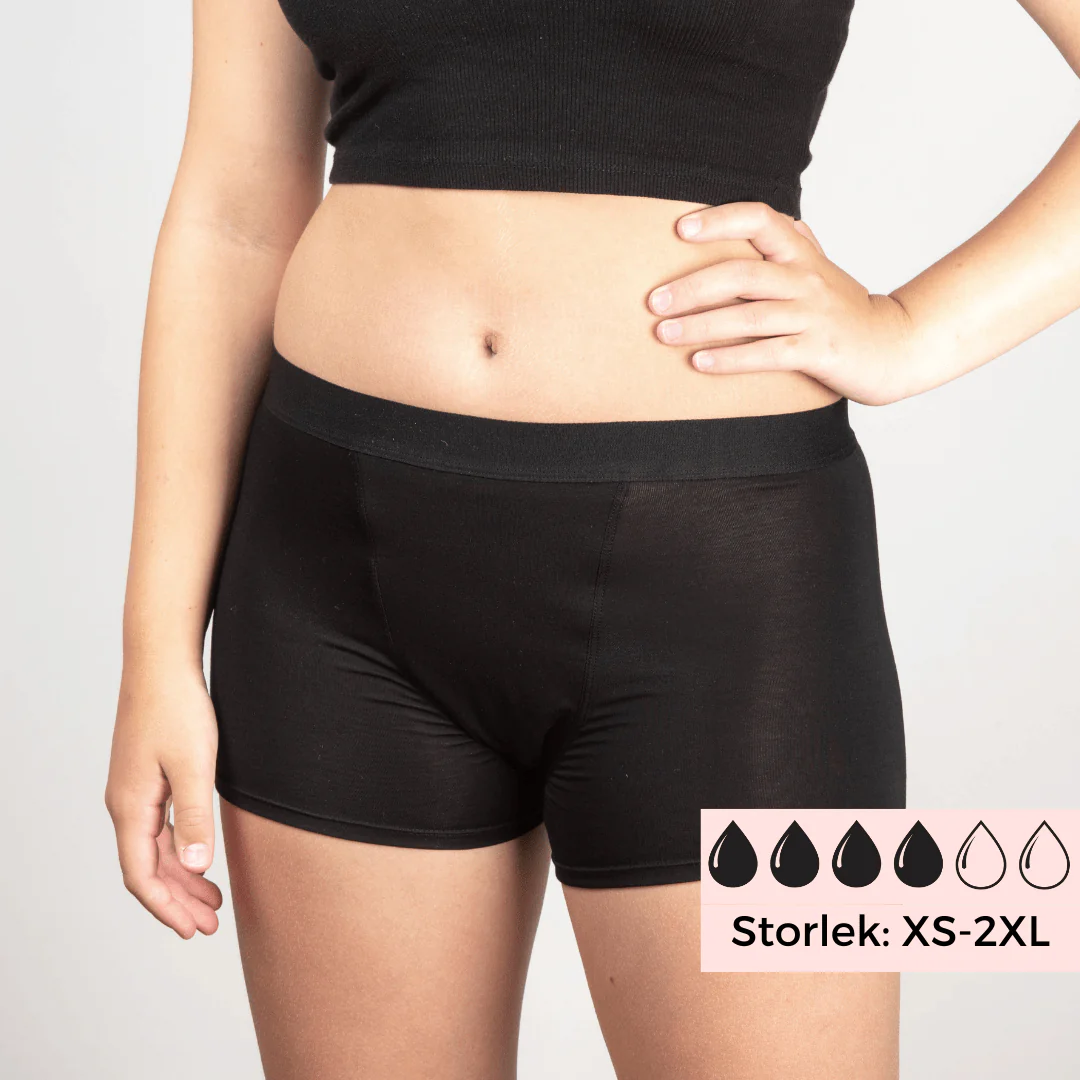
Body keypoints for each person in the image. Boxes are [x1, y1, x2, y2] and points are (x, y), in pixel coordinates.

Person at [104, 1, 1080, 1077]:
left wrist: (910, 331)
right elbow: (234, 215)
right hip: (329, 585)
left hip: (731, 598)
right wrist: (154, 645)